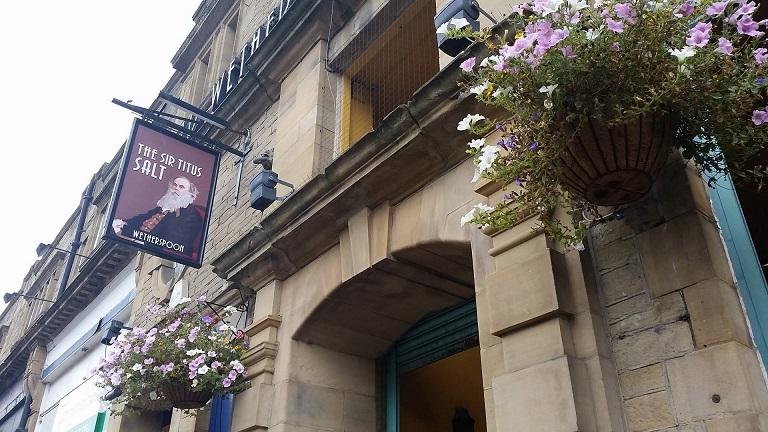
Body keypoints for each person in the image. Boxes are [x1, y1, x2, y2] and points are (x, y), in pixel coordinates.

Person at [112, 176, 203, 257]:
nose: (176, 188)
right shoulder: (165, 205)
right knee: (116, 225)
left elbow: (176, 240)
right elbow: (142, 218)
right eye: (174, 185)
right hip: (139, 239)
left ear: (189, 194)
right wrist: (126, 223)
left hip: (155, 247)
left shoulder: (191, 214)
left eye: (181, 187)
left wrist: (143, 241)